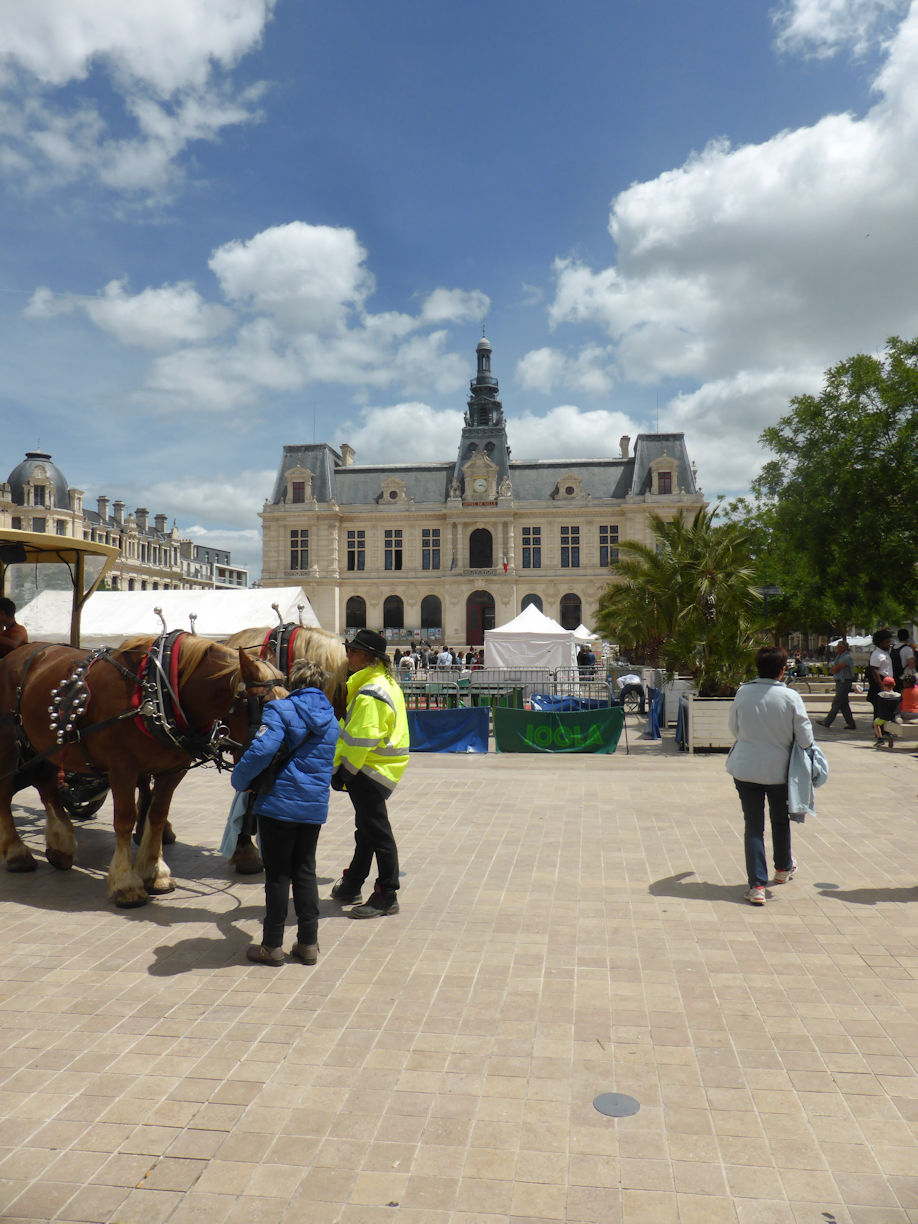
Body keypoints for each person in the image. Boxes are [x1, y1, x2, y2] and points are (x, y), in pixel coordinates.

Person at [231, 659, 339, 966]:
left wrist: (239, 779)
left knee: (278, 876)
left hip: (279, 803)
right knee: (305, 872)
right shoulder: (331, 719)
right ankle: (308, 943)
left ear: (293, 683)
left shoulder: (280, 710)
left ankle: (272, 945)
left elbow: (262, 750)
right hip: (313, 805)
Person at [331, 628, 410, 918]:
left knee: (377, 832)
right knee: (366, 830)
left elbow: (359, 742)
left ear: (367, 657)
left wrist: (343, 772)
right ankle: (352, 883)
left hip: (369, 770)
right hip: (379, 768)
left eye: (352, 651)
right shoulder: (382, 684)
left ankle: (387, 894)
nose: (348, 655)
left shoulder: (369, 694)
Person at [726, 645, 814, 905]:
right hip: (780, 771)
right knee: (780, 820)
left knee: (753, 825)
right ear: (782, 670)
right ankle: (783, 868)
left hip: (746, 769)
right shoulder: (790, 697)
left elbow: (734, 728)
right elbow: (806, 738)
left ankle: (756, 886)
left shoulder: (743, 693)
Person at [819, 639, 856, 730]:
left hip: (844, 682)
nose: (837, 649)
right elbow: (834, 668)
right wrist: (833, 669)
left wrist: (832, 670)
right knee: (844, 705)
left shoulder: (846, 657)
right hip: (840, 682)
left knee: (836, 702)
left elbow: (836, 669)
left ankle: (827, 721)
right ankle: (851, 723)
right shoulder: (839, 656)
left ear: (844, 648)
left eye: (839, 647)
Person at [867, 629, 894, 725]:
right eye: (886, 642)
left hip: (887, 683)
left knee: (885, 710)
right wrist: (881, 685)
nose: (888, 644)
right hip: (880, 684)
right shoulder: (877, 655)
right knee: (879, 711)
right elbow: (874, 670)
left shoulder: (885, 653)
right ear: (880, 643)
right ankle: (879, 733)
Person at [873, 676, 901, 748]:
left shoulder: (881, 695)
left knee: (876, 723)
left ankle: (880, 739)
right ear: (894, 685)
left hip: (883, 716)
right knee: (890, 723)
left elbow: (878, 706)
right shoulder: (898, 696)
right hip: (893, 717)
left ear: (884, 684)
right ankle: (890, 735)